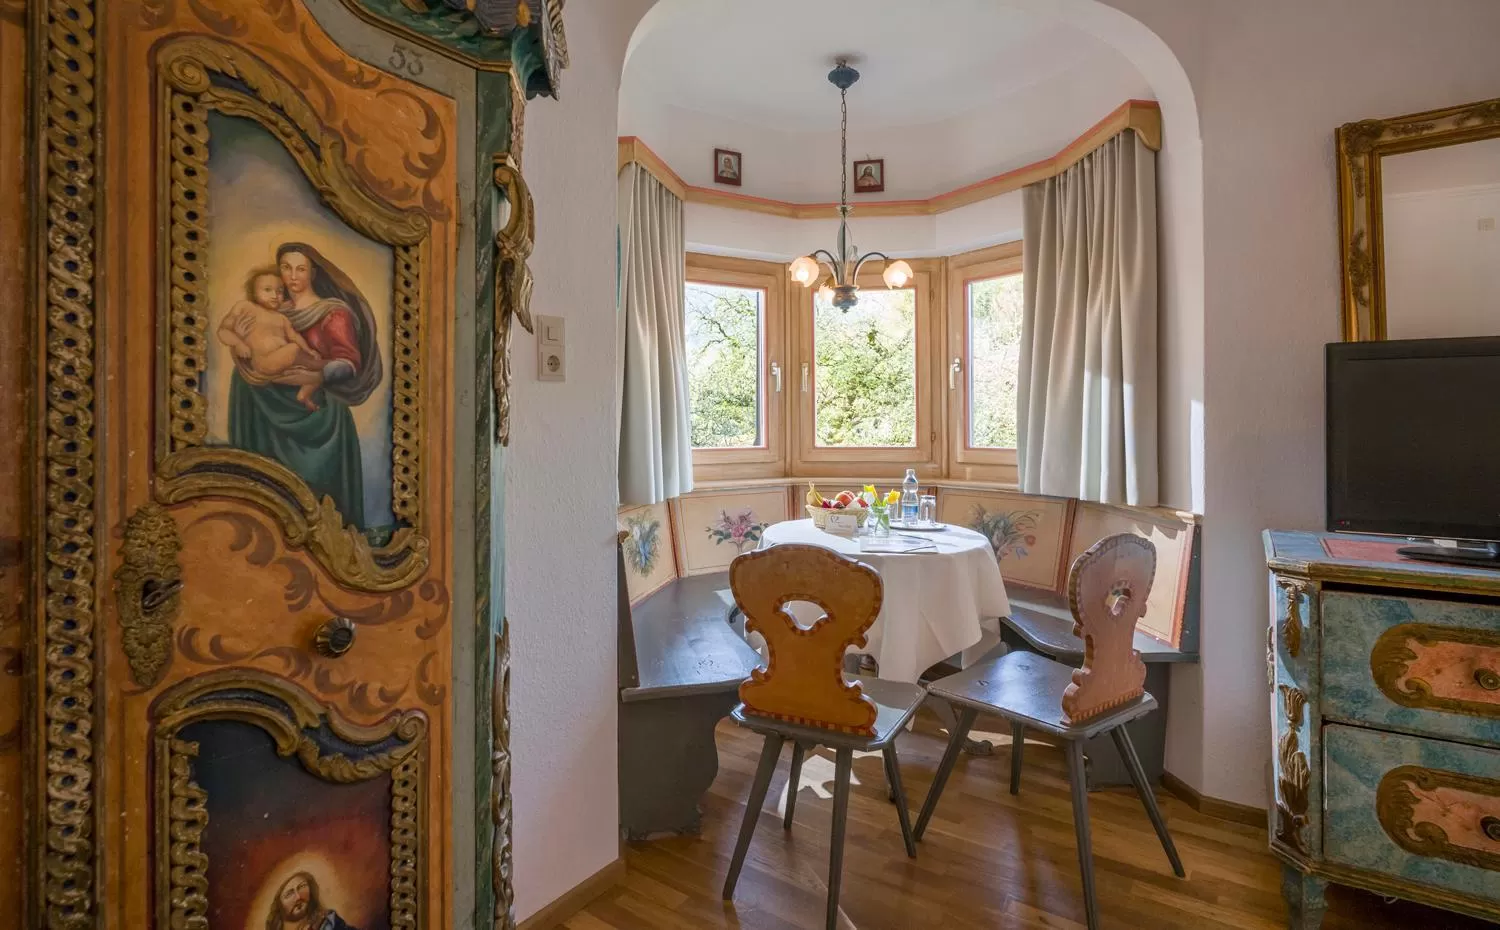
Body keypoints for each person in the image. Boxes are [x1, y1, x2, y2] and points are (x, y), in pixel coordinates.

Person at [227, 241, 382, 529]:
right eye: (286, 268)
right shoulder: (269, 309)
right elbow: (241, 341)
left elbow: (349, 363)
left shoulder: (333, 313)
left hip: (316, 420)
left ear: (313, 272)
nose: (292, 276)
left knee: (317, 508)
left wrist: (316, 376)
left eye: (300, 269)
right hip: (265, 408)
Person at [219, 267, 326, 410]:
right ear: (254, 292)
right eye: (267, 290)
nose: (275, 295)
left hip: (282, 363)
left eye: (280, 291)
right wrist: (238, 343)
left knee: (318, 376)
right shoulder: (246, 307)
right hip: (265, 362)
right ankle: (317, 363)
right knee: (294, 349)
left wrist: (309, 350)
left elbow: (294, 335)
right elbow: (223, 330)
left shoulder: (281, 317)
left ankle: (303, 395)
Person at [264, 871, 359, 930]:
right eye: (289, 894)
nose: (298, 897)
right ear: (278, 904)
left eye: (302, 887)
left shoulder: (331, 924)